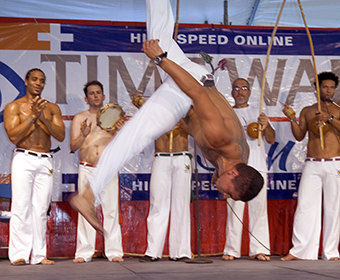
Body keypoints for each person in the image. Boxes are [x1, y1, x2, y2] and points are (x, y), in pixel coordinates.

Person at [70, 0, 264, 234]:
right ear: (233, 173)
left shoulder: (233, 161)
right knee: (136, 136)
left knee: (159, 31)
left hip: (195, 80)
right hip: (189, 88)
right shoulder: (222, 138)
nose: (223, 195)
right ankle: (88, 196)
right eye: (228, 192)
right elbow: (196, 92)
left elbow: (199, 131)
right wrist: (160, 59)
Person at [3, 68, 65, 265]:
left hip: (45, 159)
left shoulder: (52, 108)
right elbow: (14, 136)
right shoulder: (14, 107)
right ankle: (19, 254)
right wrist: (31, 116)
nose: (39, 83)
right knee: (21, 206)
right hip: (24, 158)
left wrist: (42, 116)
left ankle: (39, 255)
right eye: (35, 79)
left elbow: (60, 136)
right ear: (27, 81)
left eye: (42, 80)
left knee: (40, 209)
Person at [281, 71, 340, 261]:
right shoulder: (307, 110)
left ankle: (330, 252)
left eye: (332, 87)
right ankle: (300, 251)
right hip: (312, 164)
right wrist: (292, 118)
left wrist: (330, 119)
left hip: (334, 164)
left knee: (333, 208)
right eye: (325, 87)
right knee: (305, 206)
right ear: (317, 88)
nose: (328, 90)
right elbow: (299, 135)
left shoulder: (338, 109)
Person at [132, 93, 192, 262]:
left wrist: (182, 124)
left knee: (181, 204)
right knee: (158, 203)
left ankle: (181, 251)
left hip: (181, 157)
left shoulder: (187, 109)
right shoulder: (155, 111)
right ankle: (153, 251)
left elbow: (196, 133)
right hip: (161, 157)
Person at [70, 80, 124, 263]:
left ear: (104, 96)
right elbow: (72, 146)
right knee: (86, 211)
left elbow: (123, 146)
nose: (95, 95)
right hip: (87, 167)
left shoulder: (114, 117)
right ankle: (84, 253)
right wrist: (84, 134)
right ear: (86, 98)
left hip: (107, 169)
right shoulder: (80, 118)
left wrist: (119, 132)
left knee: (111, 211)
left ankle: (114, 251)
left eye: (98, 92)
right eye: (92, 93)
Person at [222, 78, 275, 261]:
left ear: (249, 92)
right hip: (235, 169)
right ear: (232, 92)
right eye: (236, 88)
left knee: (258, 211)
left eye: (244, 88)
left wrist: (265, 126)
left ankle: (259, 249)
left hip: (257, 167)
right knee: (234, 211)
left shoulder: (259, 112)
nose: (240, 91)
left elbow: (271, 139)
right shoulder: (227, 113)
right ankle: (231, 250)